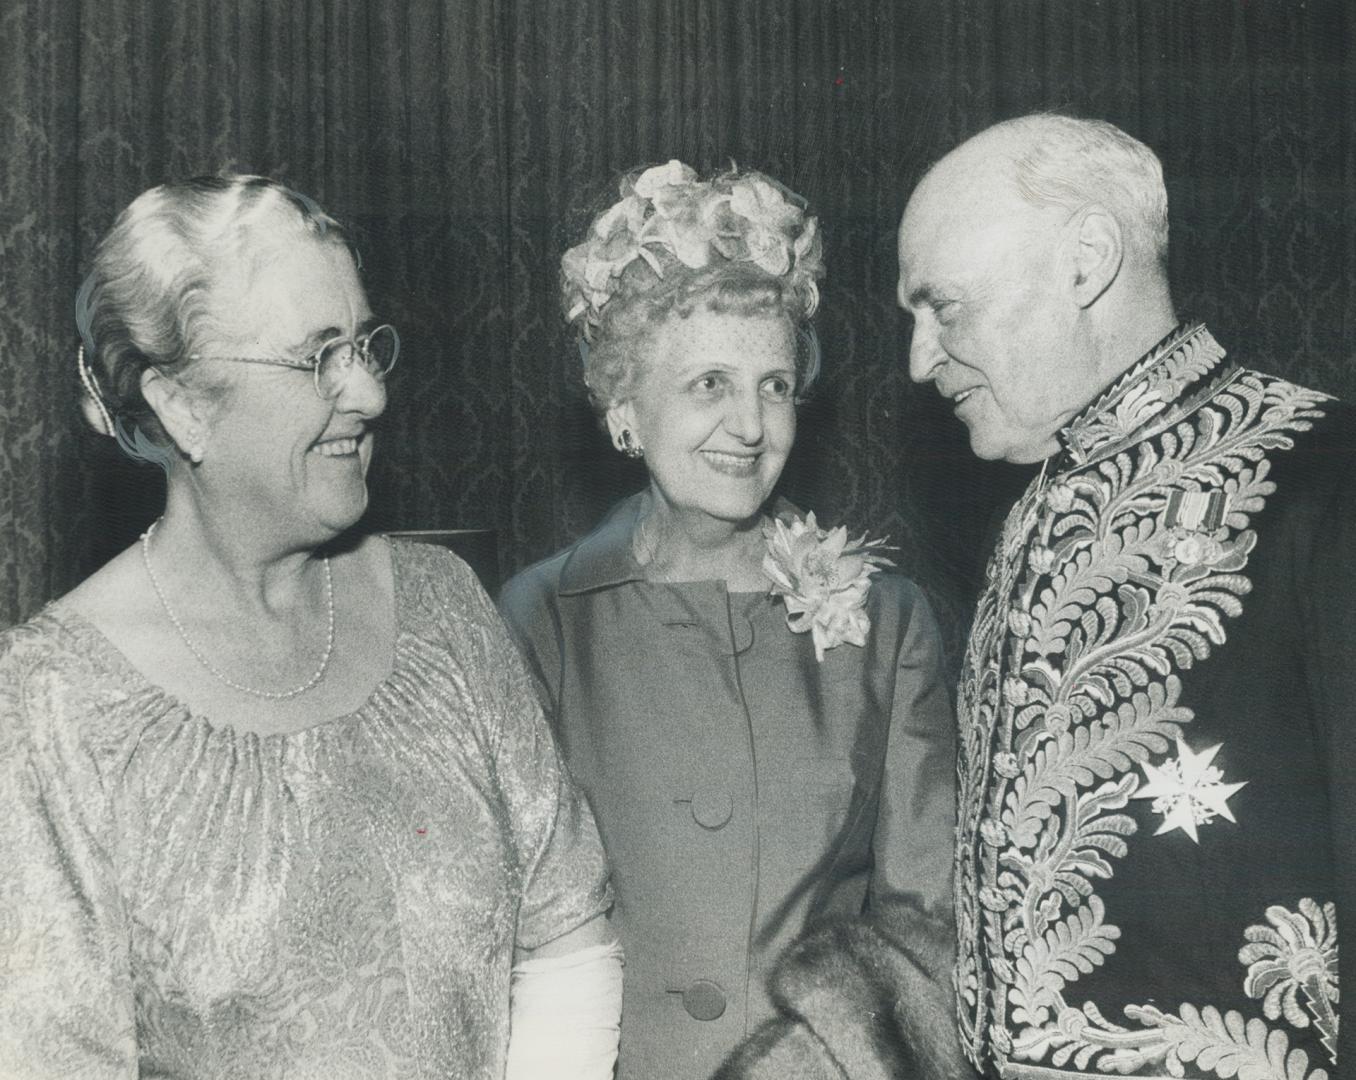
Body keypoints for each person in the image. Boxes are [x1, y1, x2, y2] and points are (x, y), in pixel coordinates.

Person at [0, 175, 621, 1079]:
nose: (368, 392)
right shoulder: (49, 708)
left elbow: (566, 927)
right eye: (317, 356)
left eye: (365, 344)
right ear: (182, 404)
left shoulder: (445, 608)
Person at [898, 113, 1355, 1080]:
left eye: (944, 308)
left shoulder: (1327, 473)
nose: (919, 358)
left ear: (1085, 263)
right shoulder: (1029, 510)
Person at [498, 160, 960, 1079]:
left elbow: (926, 924)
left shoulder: (889, 624)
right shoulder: (539, 620)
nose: (750, 426)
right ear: (626, 406)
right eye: (709, 383)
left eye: (775, 385)